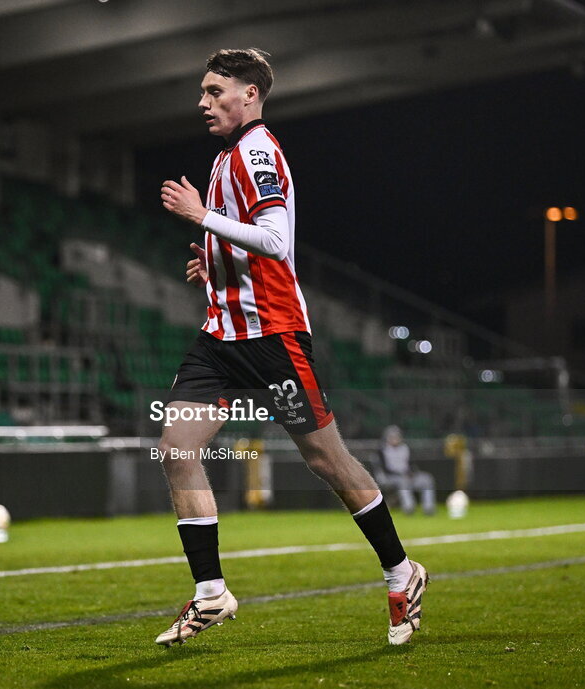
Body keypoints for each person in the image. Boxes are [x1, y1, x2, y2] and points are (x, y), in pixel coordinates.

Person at [155, 48, 426, 647]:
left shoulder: (255, 150)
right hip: (220, 338)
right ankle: (211, 593)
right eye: (201, 92)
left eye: (213, 90)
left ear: (249, 94)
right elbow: (249, 243)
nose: (202, 102)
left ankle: (402, 571)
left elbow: (276, 241)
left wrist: (202, 216)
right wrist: (216, 261)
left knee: (326, 461)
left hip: (273, 337)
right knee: (176, 448)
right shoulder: (226, 156)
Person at [375, 425, 436, 516]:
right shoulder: (382, 450)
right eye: (392, 437)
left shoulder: (405, 448)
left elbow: (412, 465)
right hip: (390, 478)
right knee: (403, 482)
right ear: (387, 438)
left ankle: (428, 508)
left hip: (407, 476)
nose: (395, 439)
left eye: (397, 436)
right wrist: (401, 474)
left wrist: (412, 473)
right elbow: (385, 470)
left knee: (427, 479)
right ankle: (409, 508)